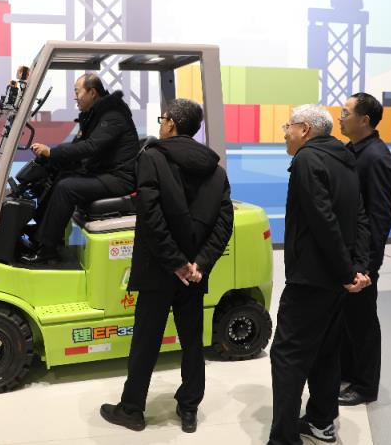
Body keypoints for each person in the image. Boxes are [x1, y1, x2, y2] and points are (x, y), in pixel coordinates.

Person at [100, 99, 233, 434]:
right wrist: (198, 263)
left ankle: (132, 409)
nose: (161, 124)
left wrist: (175, 262)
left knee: (146, 341)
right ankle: (189, 408)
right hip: (194, 274)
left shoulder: (152, 158)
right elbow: (224, 223)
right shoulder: (216, 170)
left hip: (157, 269)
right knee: (192, 342)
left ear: (171, 123)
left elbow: (151, 215)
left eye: (163, 119)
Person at [268, 104, 372, 445]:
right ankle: (321, 421)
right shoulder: (345, 158)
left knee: (287, 355)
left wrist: (347, 271)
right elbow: (359, 217)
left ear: (305, 129)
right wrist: (357, 267)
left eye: (288, 126)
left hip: (310, 279)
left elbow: (322, 220)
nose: (285, 133)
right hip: (335, 281)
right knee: (326, 352)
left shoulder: (307, 160)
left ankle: (284, 438)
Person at [23, 73, 139, 263]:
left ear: (92, 93)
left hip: (120, 178)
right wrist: (51, 159)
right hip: (106, 172)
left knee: (66, 188)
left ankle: (47, 250)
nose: (74, 97)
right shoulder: (96, 115)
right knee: (61, 177)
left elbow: (91, 147)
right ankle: (41, 233)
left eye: (77, 92)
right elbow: (79, 146)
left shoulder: (113, 116)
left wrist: (52, 152)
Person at [337, 93, 391, 406]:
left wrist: (367, 265)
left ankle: (365, 386)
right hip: (349, 254)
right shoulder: (352, 150)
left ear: (364, 120)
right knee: (348, 317)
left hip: (362, 259)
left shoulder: (377, 158)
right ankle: (349, 372)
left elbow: (379, 217)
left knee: (362, 321)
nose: (340, 117)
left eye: (345, 112)